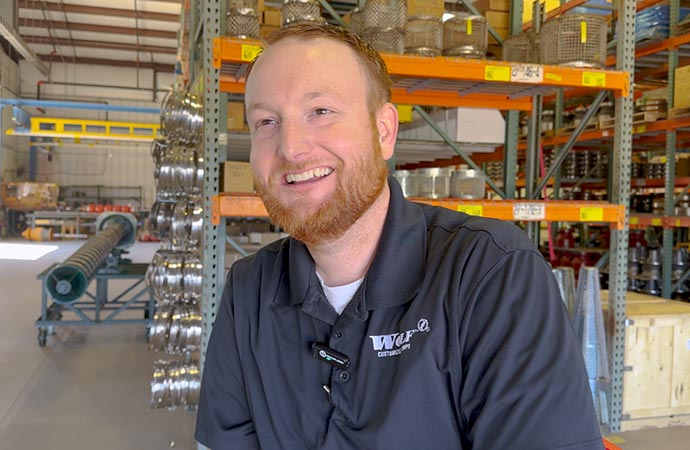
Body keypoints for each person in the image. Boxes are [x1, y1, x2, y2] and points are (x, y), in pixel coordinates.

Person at [195, 24, 603, 450]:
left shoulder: (490, 273)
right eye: (267, 121)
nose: (291, 147)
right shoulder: (249, 291)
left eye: (321, 111)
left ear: (384, 131)